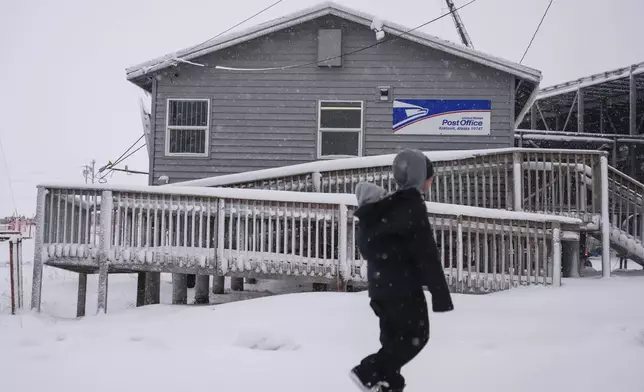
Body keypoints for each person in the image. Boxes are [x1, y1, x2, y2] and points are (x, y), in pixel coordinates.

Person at [349, 149, 454, 392]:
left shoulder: (388, 205)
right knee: (416, 337)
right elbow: (426, 254)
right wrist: (441, 296)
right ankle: (368, 371)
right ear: (420, 176)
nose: (431, 181)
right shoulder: (411, 205)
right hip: (403, 288)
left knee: (393, 342)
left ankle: (388, 385)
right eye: (430, 176)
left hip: (380, 289)